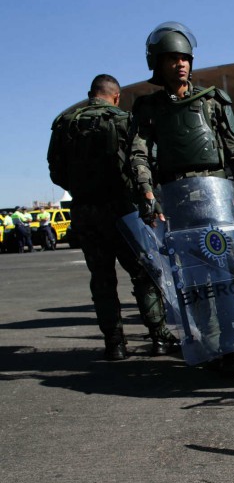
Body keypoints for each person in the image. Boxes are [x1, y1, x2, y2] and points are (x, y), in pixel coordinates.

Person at [129, 22, 234, 375]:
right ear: (159, 63)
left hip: (217, 195)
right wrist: (147, 192)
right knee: (195, 279)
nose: (180, 64)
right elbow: (139, 154)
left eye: (185, 58)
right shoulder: (149, 107)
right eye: (172, 58)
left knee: (225, 275)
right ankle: (210, 346)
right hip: (178, 199)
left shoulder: (213, 100)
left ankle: (232, 347)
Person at [47, 74, 176, 360]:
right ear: (116, 96)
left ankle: (115, 343)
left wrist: (82, 189)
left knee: (102, 278)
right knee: (144, 273)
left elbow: (56, 172)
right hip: (123, 210)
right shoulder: (124, 120)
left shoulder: (65, 123)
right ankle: (159, 337)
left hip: (86, 211)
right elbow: (143, 163)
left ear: (90, 94)